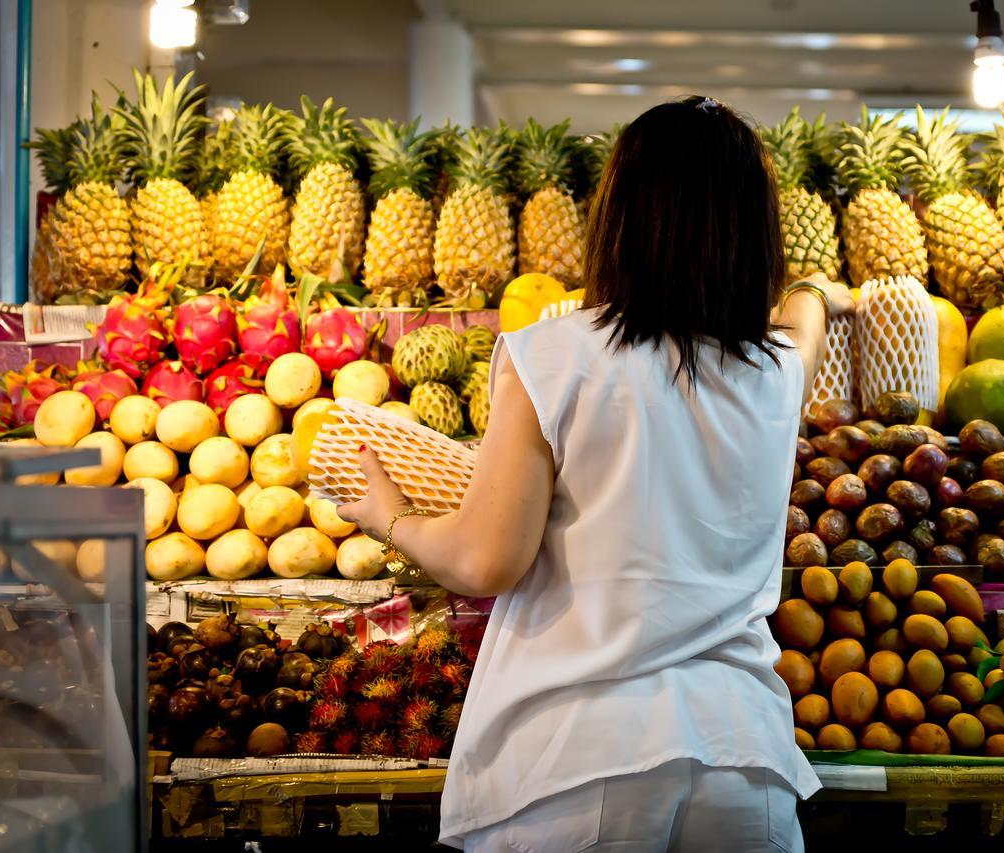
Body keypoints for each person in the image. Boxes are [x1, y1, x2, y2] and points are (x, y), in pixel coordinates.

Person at [338, 95, 852, 852]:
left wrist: (388, 515)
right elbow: (803, 326)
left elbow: (488, 559)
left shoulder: (551, 356)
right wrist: (813, 291)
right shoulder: (774, 371)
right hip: (743, 763)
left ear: (619, 219)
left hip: (579, 761)